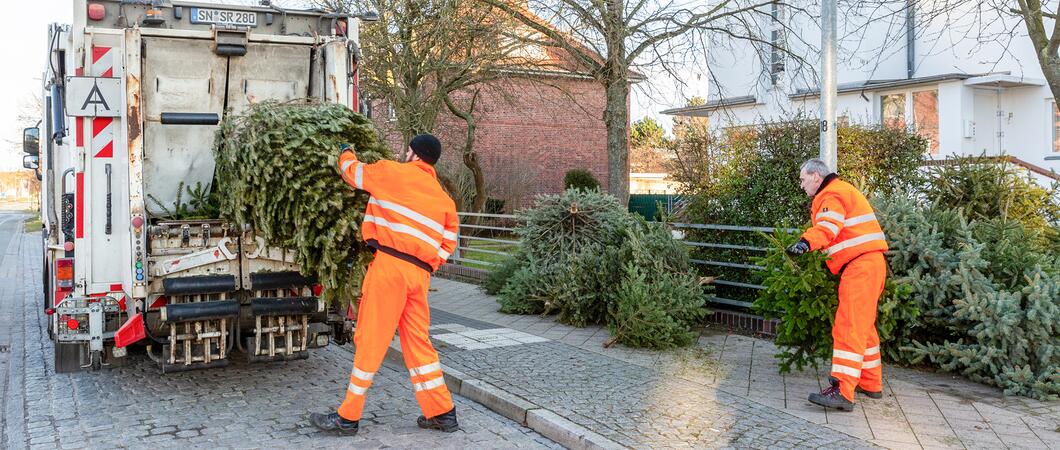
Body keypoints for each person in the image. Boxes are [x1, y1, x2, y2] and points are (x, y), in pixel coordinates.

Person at [310, 134, 460, 435]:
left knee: (370, 338)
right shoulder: (445, 200)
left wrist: (345, 152)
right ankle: (442, 412)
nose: (405, 153)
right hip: (419, 276)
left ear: (415, 155)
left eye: (408, 150)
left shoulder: (391, 172)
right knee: (418, 343)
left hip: (389, 268)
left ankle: (347, 417)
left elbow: (353, 173)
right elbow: (449, 243)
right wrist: (429, 263)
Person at [786, 158, 889, 412]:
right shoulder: (843, 190)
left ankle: (842, 391)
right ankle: (870, 382)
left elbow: (827, 227)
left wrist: (804, 243)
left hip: (860, 267)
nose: (801, 185)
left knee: (848, 326)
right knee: (864, 326)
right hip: (871, 264)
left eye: (802, 179)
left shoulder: (831, 194)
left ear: (816, 177)